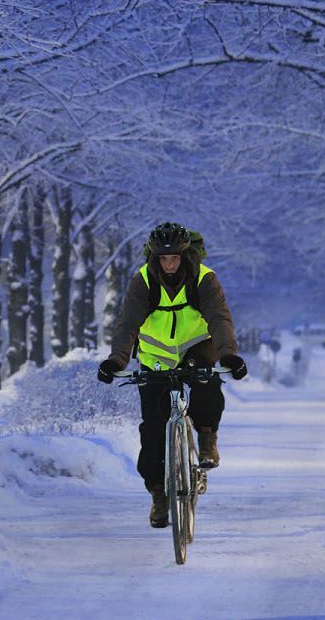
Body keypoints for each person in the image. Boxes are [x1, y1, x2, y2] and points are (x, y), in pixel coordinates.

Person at [97, 221, 247, 528]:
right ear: (154, 257)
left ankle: (206, 438)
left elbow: (219, 317)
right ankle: (158, 495)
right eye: (163, 258)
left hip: (196, 347)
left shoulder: (204, 279)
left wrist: (229, 354)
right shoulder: (143, 281)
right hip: (155, 358)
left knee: (207, 381)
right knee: (152, 430)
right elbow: (127, 323)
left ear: (186, 255)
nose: (169, 264)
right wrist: (117, 360)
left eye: (175, 257)